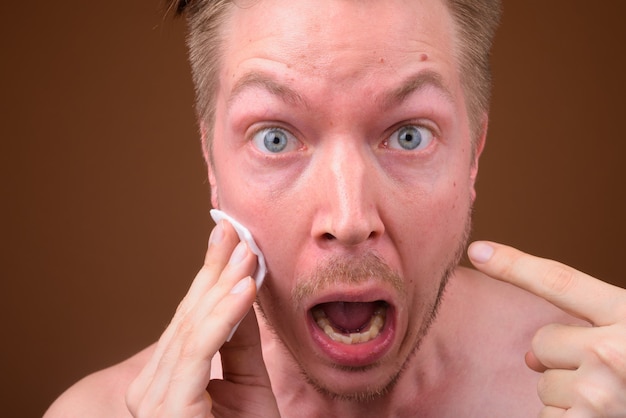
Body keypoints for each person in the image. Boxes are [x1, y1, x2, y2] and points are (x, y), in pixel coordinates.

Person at [44, 0, 626, 416]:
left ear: (473, 153)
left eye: (408, 136)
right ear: (211, 164)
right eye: (275, 138)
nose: (349, 221)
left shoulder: (602, 384)